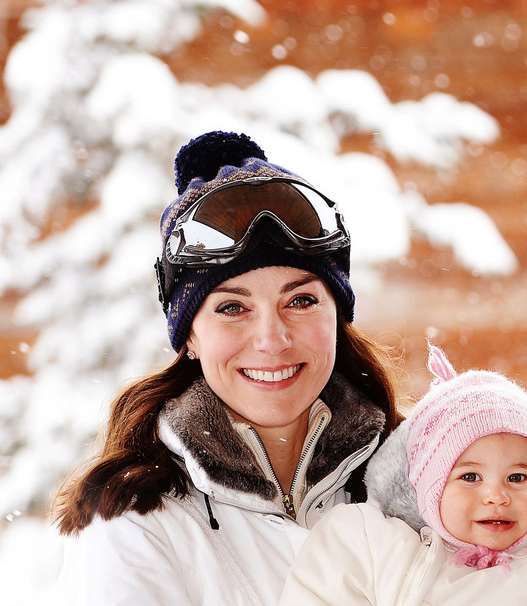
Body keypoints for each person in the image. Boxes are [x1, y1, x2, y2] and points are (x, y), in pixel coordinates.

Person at [51, 130, 402, 605]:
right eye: (232, 308)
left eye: (300, 300)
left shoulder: (425, 476)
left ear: (336, 316)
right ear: (190, 336)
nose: (272, 340)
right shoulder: (138, 523)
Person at [279, 345, 527, 605]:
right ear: (428, 484)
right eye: (470, 477)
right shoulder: (369, 544)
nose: (497, 496)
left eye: (517, 477)